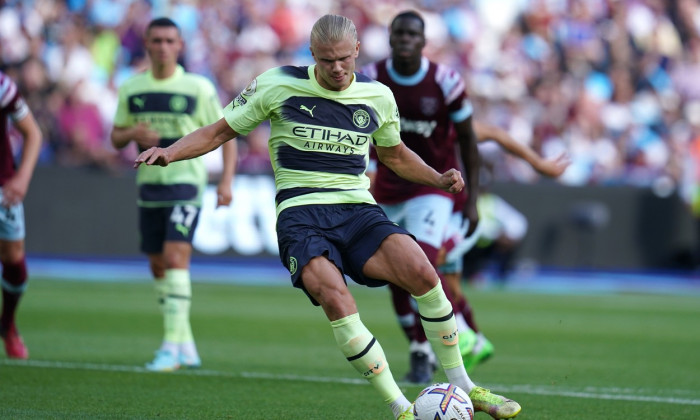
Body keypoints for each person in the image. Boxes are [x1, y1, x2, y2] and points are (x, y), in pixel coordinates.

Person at [134, 14, 521, 420]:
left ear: (357, 51)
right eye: (326, 60)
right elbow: (218, 132)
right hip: (301, 215)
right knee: (337, 299)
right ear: (312, 55)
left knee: (424, 274)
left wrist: (437, 178)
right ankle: (401, 409)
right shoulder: (277, 84)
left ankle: (464, 386)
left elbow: (393, 155)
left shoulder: (377, 96)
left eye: (343, 60)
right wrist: (170, 150)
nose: (336, 69)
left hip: (357, 210)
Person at [360, 10, 481, 384]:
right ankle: (418, 346)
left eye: (413, 34)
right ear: (391, 37)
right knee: (396, 274)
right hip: (386, 189)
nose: (406, 39)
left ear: (424, 40)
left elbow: (468, 139)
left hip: (432, 188)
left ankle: (447, 345)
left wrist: (472, 199)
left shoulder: (444, 81)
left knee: (421, 268)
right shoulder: (372, 78)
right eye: (399, 33)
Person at [110, 17, 236, 372]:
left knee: (176, 257)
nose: (163, 46)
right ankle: (186, 343)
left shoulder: (198, 88)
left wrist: (226, 181)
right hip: (148, 185)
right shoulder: (131, 87)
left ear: (180, 46)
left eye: (170, 40)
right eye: (157, 40)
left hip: (186, 183)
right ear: (147, 45)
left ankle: (169, 347)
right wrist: (131, 131)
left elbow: (225, 133)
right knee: (158, 264)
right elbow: (115, 137)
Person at [438, 121, 570, 372]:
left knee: (426, 266)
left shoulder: (445, 120)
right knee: (450, 285)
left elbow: (496, 133)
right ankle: (475, 340)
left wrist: (538, 163)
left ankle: (459, 337)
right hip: (438, 213)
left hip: (458, 215)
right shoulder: (401, 120)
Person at [0, 70, 43, 359]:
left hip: (3, 186)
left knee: (14, 261)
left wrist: (23, 177)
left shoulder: (2, 86)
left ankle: (8, 324)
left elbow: (33, 132)